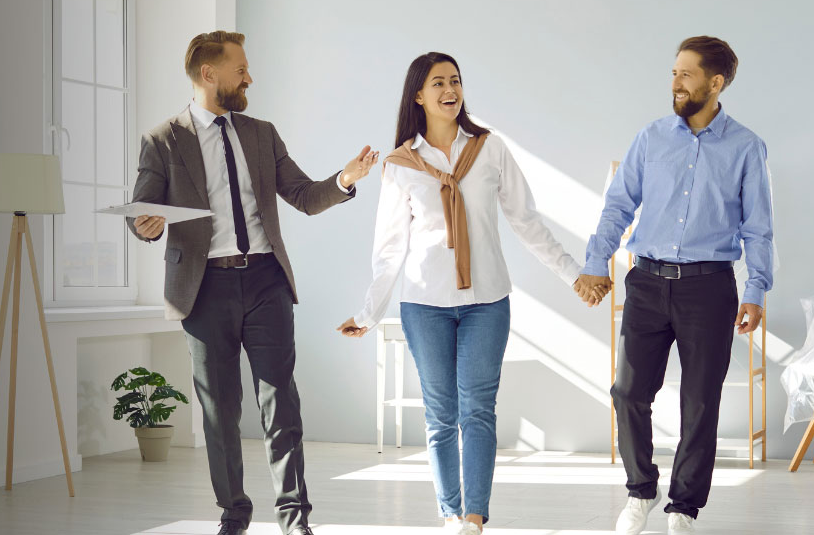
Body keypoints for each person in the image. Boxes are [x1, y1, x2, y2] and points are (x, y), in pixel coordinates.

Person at [126, 30, 378, 535]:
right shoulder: (163, 139)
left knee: (280, 400)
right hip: (202, 288)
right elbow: (143, 209)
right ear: (208, 74)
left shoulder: (261, 133)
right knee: (219, 410)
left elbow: (304, 195)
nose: (250, 77)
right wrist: (143, 225)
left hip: (266, 279)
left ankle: (293, 518)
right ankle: (234, 513)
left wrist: (345, 180)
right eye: (241, 69)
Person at [337, 52, 597, 534]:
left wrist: (572, 273)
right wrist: (368, 312)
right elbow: (389, 248)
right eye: (437, 82)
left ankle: (475, 518)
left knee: (478, 410)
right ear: (418, 95)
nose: (449, 89)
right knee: (441, 416)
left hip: (486, 302)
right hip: (425, 304)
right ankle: (450, 513)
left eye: (455, 80)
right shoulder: (400, 164)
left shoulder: (489, 149)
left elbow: (526, 221)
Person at [576, 36, 774, 535]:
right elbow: (618, 205)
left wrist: (755, 291)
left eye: (686, 74)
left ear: (716, 82)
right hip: (646, 280)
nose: (675, 83)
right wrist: (597, 260)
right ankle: (641, 490)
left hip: (709, 290)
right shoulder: (651, 138)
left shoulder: (747, 147)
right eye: (673, 73)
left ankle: (684, 508)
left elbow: (758, 228)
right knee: (627, 391)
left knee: (700, 400)